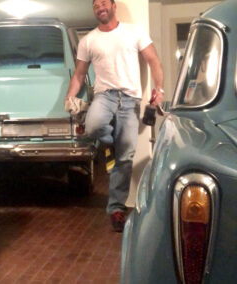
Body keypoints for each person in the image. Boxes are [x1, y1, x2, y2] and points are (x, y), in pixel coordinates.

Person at [65, 0, 164, 232]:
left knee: (126, 156)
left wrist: (159, 91)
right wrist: (69, 100)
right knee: (93, 127)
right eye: (95, 5)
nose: (100, 7)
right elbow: (79, 75)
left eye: (103, 2)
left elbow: (154, 61)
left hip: (130, 101)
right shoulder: (88, 40)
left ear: (113, 5)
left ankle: (117, 209)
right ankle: (109, 145)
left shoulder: (134, 31)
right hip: (104, 97)